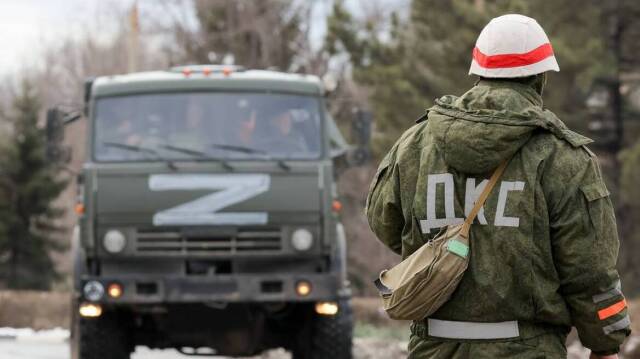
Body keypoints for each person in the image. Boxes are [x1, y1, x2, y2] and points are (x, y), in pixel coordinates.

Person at [366, 14, 630, 359]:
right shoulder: (561, 158)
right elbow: (589, 269)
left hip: (432, 349)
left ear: (478, 72)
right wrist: (605, 343)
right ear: (540, 77)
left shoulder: (415, 144)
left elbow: (383, 221)